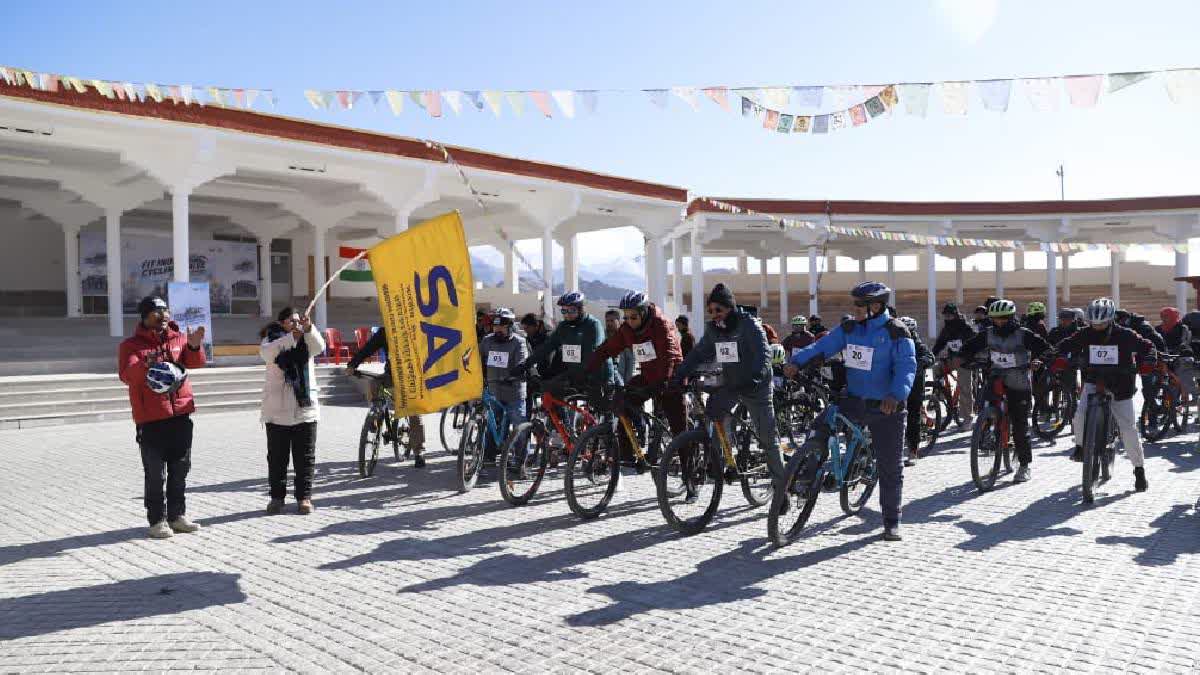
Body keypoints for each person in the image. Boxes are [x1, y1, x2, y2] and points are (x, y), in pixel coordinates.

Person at [785, 281, 916, 541]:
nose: (854, 309)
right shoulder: (849, 329)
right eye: (854, 304)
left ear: (876, 307)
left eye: (860, 305)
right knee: (819, 427)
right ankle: (806, 474)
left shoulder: (896, 332)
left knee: (890, 466)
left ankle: (892, 519)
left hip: (886, 405)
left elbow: (906, 367)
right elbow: (821, 347)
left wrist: (896, 395)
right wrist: (796, 362)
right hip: (854, 399)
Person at [670, 283, 781, 486]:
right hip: (732, 384)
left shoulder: (749, 324)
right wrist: (679, 375)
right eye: (710, 310)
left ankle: (782, 488)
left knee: (768, 438)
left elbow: (763, 355)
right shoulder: (713, 330)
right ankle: (719, 463)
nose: (714, 314)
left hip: (756, 386)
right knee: (713, 413)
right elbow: (698, 353)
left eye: (718, 310)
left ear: (730, 307)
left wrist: (755, 377)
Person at [118, 295, 207, 539]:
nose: (164, 316)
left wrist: (195, 346)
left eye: (166, 311)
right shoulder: (131, 345)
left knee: (181, 469)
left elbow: (195, 363)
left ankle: (177, 516)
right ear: (145, 317)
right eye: (157, 312)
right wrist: (145, 363)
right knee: (155, 474)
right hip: (151, 419)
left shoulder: (178, 338)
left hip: (180, 414)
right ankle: (157, 520)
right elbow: (127, 376)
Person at [1056, 298, 1155, 492]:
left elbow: (1148, 347)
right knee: (1080, 414)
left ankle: (1139, 469)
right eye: (1094, 323)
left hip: (1121, 384)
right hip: (1094, 380)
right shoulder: (1085, 333)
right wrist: (1054, 356)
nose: (1097, 327)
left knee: (1128, 428)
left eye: (1101, 323)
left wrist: (1149, 360)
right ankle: (1080, 447)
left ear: (1110, 320)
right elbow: (1066, 345)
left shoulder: (1125, 335)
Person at [952, 299, 1051, 484]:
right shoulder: (987, 334)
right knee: (984, 407)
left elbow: (1045, 348)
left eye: (1004, 318)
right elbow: (970, 347)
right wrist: (961, 357)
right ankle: (988, 435)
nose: (1000, 322)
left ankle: (1024, 465)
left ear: (1011, 317)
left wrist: (1039, 361)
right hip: (996, 377)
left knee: (1020, 425)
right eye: (996, 318)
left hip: (1018, 380)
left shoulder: (1023, 334)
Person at [586, 292, 684, 466]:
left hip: (671, 378)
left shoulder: (661, 325)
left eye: (633, 317)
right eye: (626, 317)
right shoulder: (626, 330)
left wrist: (663, 382)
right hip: (648, 376)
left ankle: (689, 474)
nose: (629, 321)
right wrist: (588, 368)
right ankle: (628, 454)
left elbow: (668, 357)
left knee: (678, 428)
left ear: (644, 312)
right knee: (622, 402)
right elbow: (607, 348)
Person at [259, 307, 326, 515]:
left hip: (304, 409)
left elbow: (320, 346)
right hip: (277, 411)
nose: (296, 323)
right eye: (291, 320)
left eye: (298, 320)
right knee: (277, 458)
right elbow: (268, 354)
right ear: (282, 323)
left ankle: (304, 498)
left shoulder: (307, 342)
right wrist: (290, 337)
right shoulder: (272, 340)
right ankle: (277, 498)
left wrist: (309, 328)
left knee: (305, 458)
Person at [345, 327, 427, 468]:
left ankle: (419, 452)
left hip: (410, 377)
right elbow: (368, 348)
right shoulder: (385, 331)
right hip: (390, 375)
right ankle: (375, 416)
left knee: (413, 411)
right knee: (373, 383)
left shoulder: (412, 327)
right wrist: (353, 364)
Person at [516, 292, 612, 394]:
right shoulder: (564, 327)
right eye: (564, 311)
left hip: (599, 376)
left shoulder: (593, 325)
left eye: (571, 310)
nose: (567, 315)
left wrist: (564, 377)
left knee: (596, 407)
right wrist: (524, 365)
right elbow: (546, 348)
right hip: (575, 375)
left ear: (581, 309)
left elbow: (591, 357)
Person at [479, 308, 529, 463]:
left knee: (519, 427)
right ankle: (488, 456)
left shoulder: (519, 343)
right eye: (496, 326)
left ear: (510, 326)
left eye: (502, 326)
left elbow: (522, 363)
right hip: (494, 391)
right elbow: (477, 359)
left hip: (514, 391)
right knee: (491, 425)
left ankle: (520, 461)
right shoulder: (487, 341)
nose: (498, 329)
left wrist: (513, 376)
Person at [931, 302, 978, 426]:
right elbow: (939, 344)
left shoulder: (966, 328)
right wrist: (931, 355)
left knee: (964, 387)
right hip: (953, 359)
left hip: (966, 361)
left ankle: (967, 417)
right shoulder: (946, 329)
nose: (947, 318)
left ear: (956, 315)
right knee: (936, 369)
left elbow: (975, 345)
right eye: (946, 316)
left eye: (950, 316)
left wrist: (964, 357)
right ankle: (942, 394)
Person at [899, 316, 935, 467]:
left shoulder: (918, 344)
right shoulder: (894, 341)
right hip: (897, 382)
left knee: (913, 414)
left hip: (914, 383)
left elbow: (929, 357)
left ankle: (913, 450)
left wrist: (915, 366)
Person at [605, 309, 636, 385]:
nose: (609, 323)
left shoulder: (626, 337)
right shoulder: (602, 336)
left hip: (622, 381)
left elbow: (631, 364)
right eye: (607, 321)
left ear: (618, 321)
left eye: (612, 321)